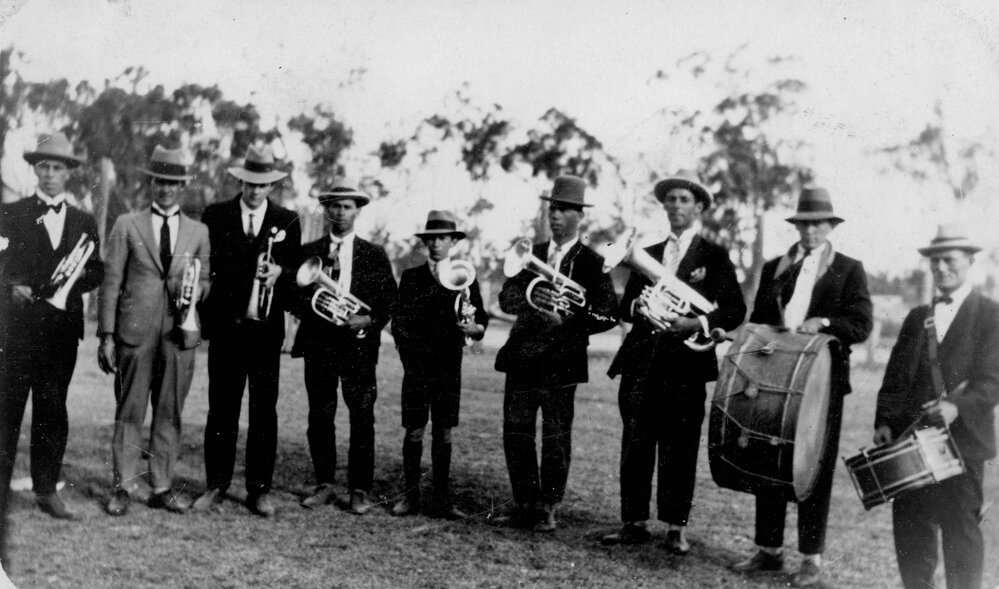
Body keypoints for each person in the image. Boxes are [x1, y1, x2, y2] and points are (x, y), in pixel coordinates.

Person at [732, 186, 872, 587]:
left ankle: (811, 558)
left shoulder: (848, 269)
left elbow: (860, 324)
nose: (811, 231)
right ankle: (768, 551)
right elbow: (758, 318)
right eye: (805, 224)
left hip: (823, 382)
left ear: (830, 226)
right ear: (797, 226)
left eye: (819, 224)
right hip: (774, 376)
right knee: (767, 456)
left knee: (816, 466)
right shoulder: (776, 266)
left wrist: (824, 323)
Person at [602, 170, 746, 554]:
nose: (676, 206)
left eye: (684, 200)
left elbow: (734, 309)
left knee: (679, 449)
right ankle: (633, 522)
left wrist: (696, 322)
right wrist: (639, 305)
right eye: (671, 200)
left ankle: (675, 528)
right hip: (641, 363)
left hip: (684, 369)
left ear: (698, 207)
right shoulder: (645, 253)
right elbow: (626, 305)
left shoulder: (714, 256)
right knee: (635, 445)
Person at [874, 224, 998, 589]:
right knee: (911, 526)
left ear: (970, 262)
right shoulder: (916, 317)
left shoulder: (991, 314)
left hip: (964, 442)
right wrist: (884, 420)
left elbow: (992, 379)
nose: (941, 267)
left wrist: (957, 406)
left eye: (950, 260)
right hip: (910, 439)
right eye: (935, 261)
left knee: (961, 530)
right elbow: (895, 375)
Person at [494, 175, 619, 533]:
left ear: (580, 216)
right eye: (552, 208)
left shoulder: (594, 263)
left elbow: (607, 314)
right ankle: (524, 503)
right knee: (516, 431)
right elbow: (507, 298)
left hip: (561, 362)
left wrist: (567, 320)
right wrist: (534, 303)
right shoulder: (530, 254)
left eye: (564, 209)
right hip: (522, 356)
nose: (556, 216)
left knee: (555, 436)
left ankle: (548, 505)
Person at [0, 133, 104, 550]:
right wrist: (11, 286)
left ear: (69, 173)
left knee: (52, 411)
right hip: (18, 331)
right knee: (7, 411)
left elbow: (97, 270)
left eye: (58, 167)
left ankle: (47, 490)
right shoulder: (11, 214)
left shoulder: (84, 221)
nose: (50, 173)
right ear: (35, 170)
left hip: (61, 334)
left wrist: (76, 279)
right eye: (43, 166)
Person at [98, 145, 211, 516]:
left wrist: (192, 289)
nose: (166, 189)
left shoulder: (199, 231)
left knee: (170, 411)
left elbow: (206, 280)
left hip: (179, 333)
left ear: (182, 187)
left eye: (173, 183)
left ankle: (161, 485)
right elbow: (111, 282)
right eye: (160, 181)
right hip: (134, 331)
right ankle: (123, 487)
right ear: (151, 184)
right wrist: (107, 335)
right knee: (129, 411)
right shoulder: (126, 224)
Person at [193, 145, 301, 517]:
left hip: (265, 333)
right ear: (240, 181)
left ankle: (259, 490)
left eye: (262, 185)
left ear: (271, 185)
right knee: (221, 409)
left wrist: (280, 274)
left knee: (263, 411)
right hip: (226, 327)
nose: (255, 191)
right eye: (249, 184)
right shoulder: (216, 214)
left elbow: (296, 275)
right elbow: (211, 268)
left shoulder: (288, 220)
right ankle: (216, 484)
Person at [292, 183, 397, 515]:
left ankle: (359, 489)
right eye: (334, 206)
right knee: (320, 416)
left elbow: (389, 301)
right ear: (326, 210)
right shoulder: (310, 251)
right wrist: (317, 307)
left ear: (357, 211)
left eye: (347, 207)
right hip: (319, 343)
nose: (340, 212)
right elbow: (293, 298)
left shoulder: (374, 254)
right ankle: (324, 484)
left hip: (359, 347)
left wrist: (367, 320)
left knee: (362, 417)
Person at [390, 211, 488, 519]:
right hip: (417, 367)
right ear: (425, 243)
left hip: (449, 365)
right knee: (414, 432)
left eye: (443, 239)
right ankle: (409, 497)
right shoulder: (411, 277)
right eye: (431, 239)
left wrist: (475, 330)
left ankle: (442, 500)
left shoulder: (466, 278)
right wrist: (411, 358)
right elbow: (400, 324)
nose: (436, 245)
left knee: (444, 433)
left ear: (453, 242)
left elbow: (480, 320)